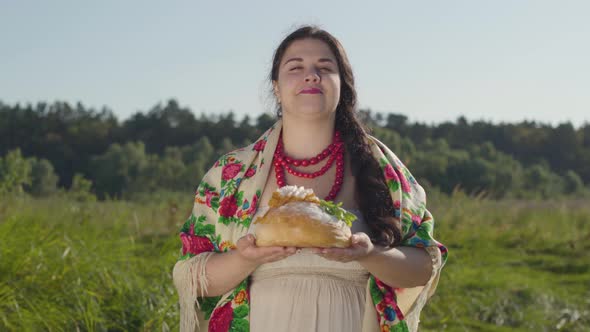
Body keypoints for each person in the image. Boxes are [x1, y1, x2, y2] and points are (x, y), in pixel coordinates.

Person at [172, 25, 448, 332]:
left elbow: (423, 268)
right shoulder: (231, 174)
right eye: (296, 67)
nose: (311, 75)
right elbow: (194, 279)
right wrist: (245, 259)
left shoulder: (385, 172)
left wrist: (371, 253)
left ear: (343, 85)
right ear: (276, 85)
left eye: (325, 68)